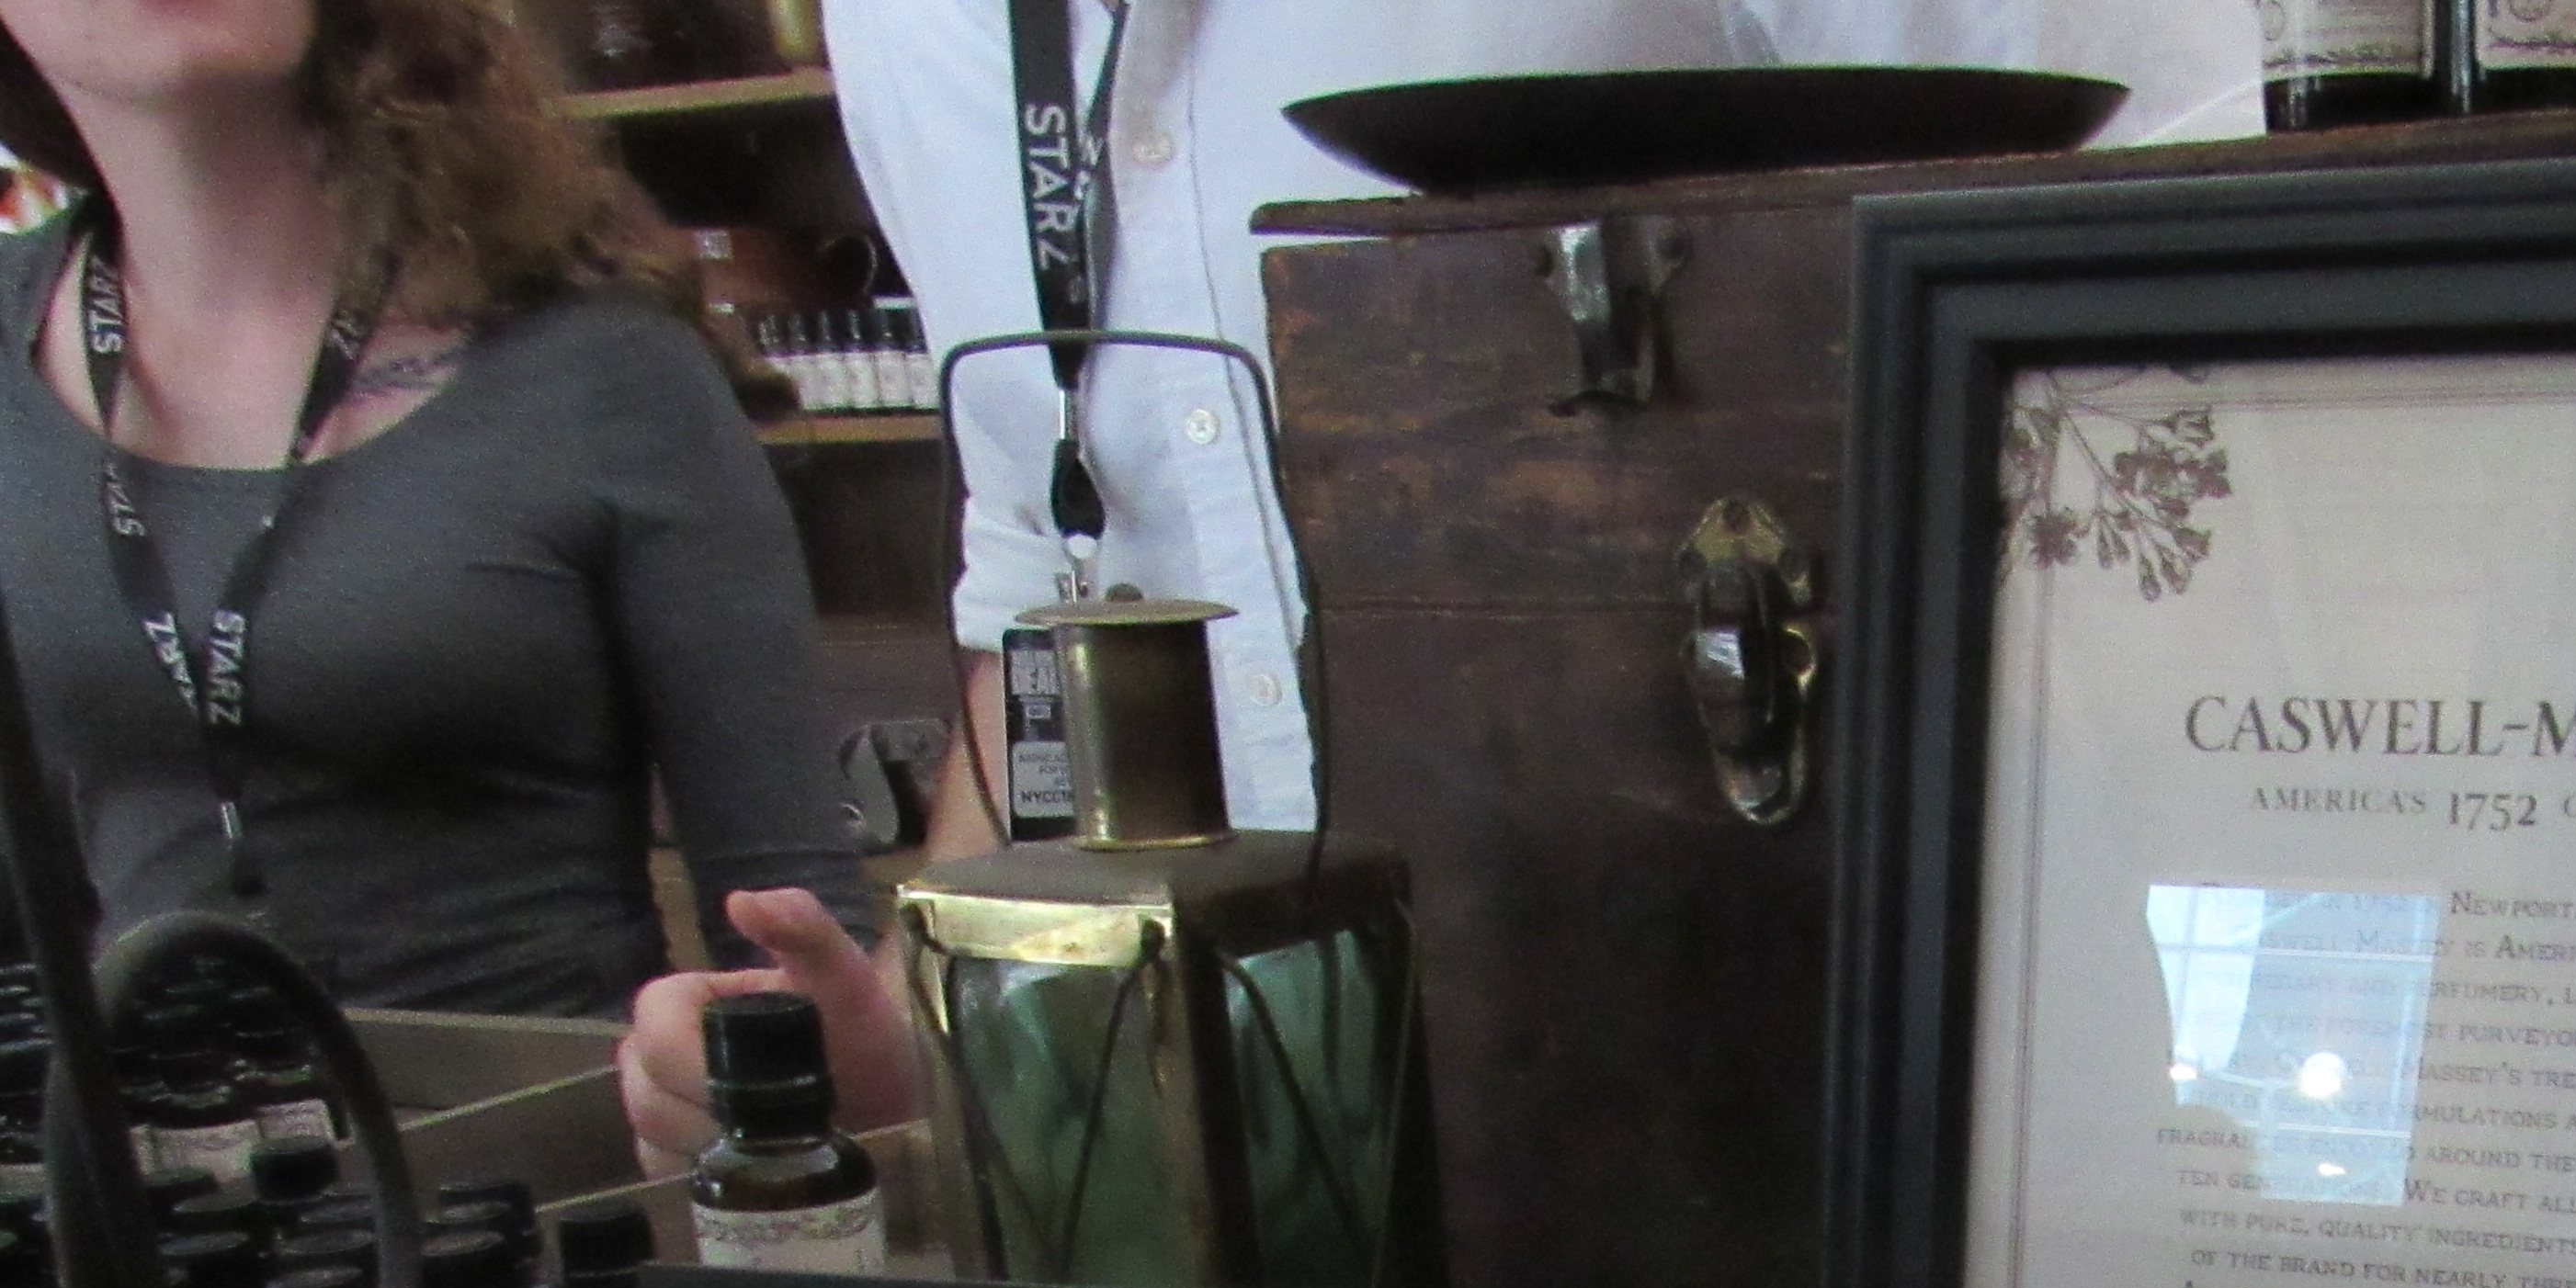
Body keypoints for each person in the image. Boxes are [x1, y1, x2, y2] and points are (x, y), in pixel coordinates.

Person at [615, 0, 2261, 1158]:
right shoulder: (911, 26)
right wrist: (928, 1024)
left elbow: (2182, 288)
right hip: (1256, 1174)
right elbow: (1053, 592)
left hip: (1835, 1078)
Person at [0, 0, 875, 1026]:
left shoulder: (601, 362)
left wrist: (781, 1050)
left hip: (538, 1118)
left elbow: (795, 937)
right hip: (139, 1121)